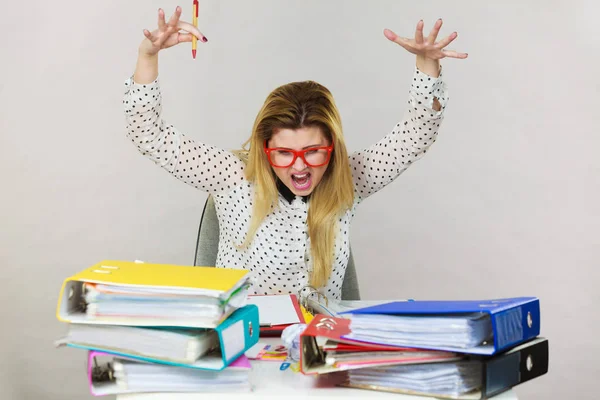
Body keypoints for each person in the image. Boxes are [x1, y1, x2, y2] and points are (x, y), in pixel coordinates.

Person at [123, 6, 467, 300]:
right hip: (246, 343)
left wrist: (427, 67)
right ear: (264, 147)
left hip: (319, 348)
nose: (299, 166)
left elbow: (416, 135)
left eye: (313, 151)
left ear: (332, 148)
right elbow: (149, 135)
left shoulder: (348, 177)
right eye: (284, 153)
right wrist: (147, 57)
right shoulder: (231, 175)